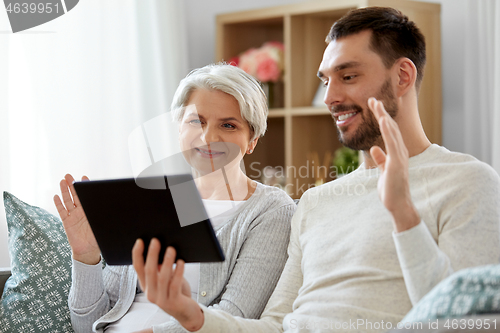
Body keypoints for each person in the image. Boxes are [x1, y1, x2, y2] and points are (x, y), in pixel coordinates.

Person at [131, 7, 500, 333]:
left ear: (403, 76)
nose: (329, 98)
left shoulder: (467, 182)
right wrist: (192, 316)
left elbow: (465, 321)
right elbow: (275, 326)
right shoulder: (315, 202)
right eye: (326, 80)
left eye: (348, 76)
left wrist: (404, 217)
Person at [53, 64, 297, 333]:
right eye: (196, 121)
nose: (208, 137)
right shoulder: (147, 198)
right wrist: (85, 257)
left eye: (228, 125)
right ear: (179, 128)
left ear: (252, 140)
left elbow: (234, 318)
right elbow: (87, 326)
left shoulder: (271, 211)